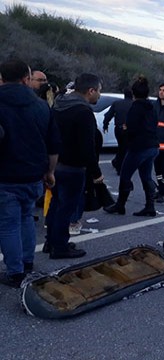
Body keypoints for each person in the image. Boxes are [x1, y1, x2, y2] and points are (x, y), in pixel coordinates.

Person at [0, 60, 59, 287]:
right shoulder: (41, 106)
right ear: (26, 78)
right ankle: (27, 262)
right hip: (34, 175)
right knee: (25, 218)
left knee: (8, 224)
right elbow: (53, 145)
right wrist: (50, 172)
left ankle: (15, 272)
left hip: (5, 176)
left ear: (2, 78)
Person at [45, 73, 103, 259]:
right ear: (91, 90)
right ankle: (60, 247)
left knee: (56, 204)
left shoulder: (59, 105)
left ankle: (51, 241)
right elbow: (88, 147)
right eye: (99, 91)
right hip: (73, 167)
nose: (99, 96)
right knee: (66, 208)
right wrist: (96, 173)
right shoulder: (83, 111)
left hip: (55, 163)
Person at [104, 76, 160, 217]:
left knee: (125, 174)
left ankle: (120, 205)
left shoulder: (136, 107)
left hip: (139, 146)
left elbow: (132, 127)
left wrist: (125, 129)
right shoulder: (151, 107)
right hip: (152, 145)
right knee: (146, 175)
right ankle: (150, 206)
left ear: (133, 94)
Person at [103, 87, 133, 174]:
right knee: (125, 148)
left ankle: (117, 162)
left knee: (121, 146)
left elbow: (108, 115)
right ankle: (120, 166)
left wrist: (106, 125)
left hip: (118, 129)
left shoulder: (117, 103)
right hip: (129, 129)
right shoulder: (134, 105)